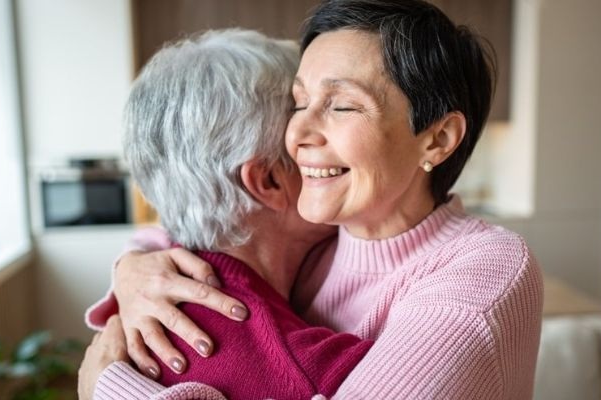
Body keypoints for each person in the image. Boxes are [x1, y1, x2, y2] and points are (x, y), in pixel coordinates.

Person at [91, 0, 544, 398]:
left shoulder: (484, 270)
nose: (298, 133)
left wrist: (108, 388)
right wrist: (132, 269)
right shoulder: (319, 234)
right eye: (299, 103)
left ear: (438, 138)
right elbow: (204, 226)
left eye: (342, 105)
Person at [78, 29, 375, 400]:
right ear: (268, 181)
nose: (339, 143)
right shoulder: (320, 372)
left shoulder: (138, 304)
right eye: (304, 117)